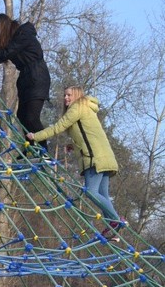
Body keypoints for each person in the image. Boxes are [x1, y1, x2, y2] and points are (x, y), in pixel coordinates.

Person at [26, 87, 122, 226]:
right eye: (64, 95)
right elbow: (88, 133)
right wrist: (74, 144)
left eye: (69, 95)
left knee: (90, 192)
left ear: (77, 95)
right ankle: (112, 228)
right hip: (105, 157)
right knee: (103, 195)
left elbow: (57, 127)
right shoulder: (87, 108)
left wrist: (35, 136)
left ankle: (116, 220)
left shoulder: (77, 107)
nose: (65, 97)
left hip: (94, 159)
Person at [0, 14, 51, 134]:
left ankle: (43, 150)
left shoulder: (23, 34)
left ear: (5, 26)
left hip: (37, 76)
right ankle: (28, 150)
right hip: (25, 78)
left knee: (32, 117)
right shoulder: (13, 42)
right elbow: (0, 56)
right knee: (22, 116)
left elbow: (6, 53)